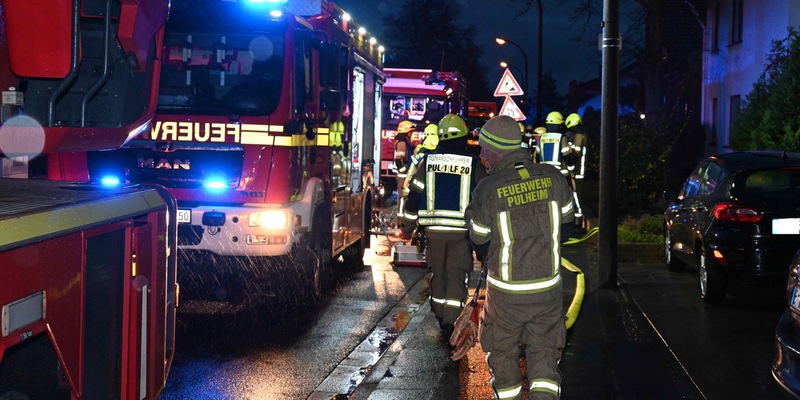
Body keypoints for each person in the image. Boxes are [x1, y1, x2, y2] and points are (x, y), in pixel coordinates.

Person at [465, 115, 575, 400]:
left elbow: (479, 241)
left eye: (484, 149)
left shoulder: (488, 189)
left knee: (502, 355)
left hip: (506, 295)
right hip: (548, 289)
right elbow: (568, 227)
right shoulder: (554, 177)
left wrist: (472, 214)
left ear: (496, 150)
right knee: (545, 355)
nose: (481, 155)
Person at [401, 114, 486, 338]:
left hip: (433, 232)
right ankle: (451, 321)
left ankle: (440, 314)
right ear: (463, 137)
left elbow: (414, 194)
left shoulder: (428, 162)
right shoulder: (473, 164)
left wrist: (408, 224)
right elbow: (485, 200)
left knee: (438, 274)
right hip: (461, 233)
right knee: (457, 275)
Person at [564, 112, 589, 232]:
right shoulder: (580, 135)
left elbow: (575, 154)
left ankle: (578, 225)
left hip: (578, 172)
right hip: (579, 172)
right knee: (576, 196)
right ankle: (578, 223)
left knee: (577, 197)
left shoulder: (579, 136)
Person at [535, 112, 571, 178]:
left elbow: (537, 157)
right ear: (559, 125)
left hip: (544, 173)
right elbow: (567, 157)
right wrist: (572, 169)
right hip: (559, 174)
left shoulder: (541, 138)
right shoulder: (562, 138)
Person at [393, 120, 414, 217]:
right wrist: (404, 170)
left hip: (404, 175)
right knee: (402, 197)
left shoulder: (405, 142)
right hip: (403, 176)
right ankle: (400, 219)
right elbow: (398, 159)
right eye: (410, 131)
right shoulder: (402, 143)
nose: (411, 134)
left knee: (405, 197)